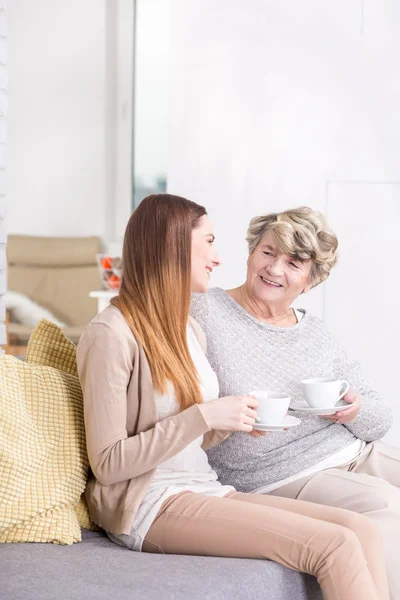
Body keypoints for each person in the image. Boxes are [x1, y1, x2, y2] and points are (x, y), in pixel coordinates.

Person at [77, 195, 389, 600]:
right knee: (335, 545)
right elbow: (108, 464)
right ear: (172, 247)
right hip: (148, 503)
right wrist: (206, 417)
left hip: (204, 486)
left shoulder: (187, 330)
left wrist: (233, 422)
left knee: (360, 529)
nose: (218, 258)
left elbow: (193, 437)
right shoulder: (110, 334)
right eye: (208, 242)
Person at [190, 206, 399, 599]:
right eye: (268, 252)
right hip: (277, 474)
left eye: (293, 262)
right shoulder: (204, 311)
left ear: (310, 280)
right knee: (389, 505)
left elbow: (379, 418)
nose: (275, 269)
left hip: (351, 451)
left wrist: (354, 410)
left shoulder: (315, 333)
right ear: (252, 253)